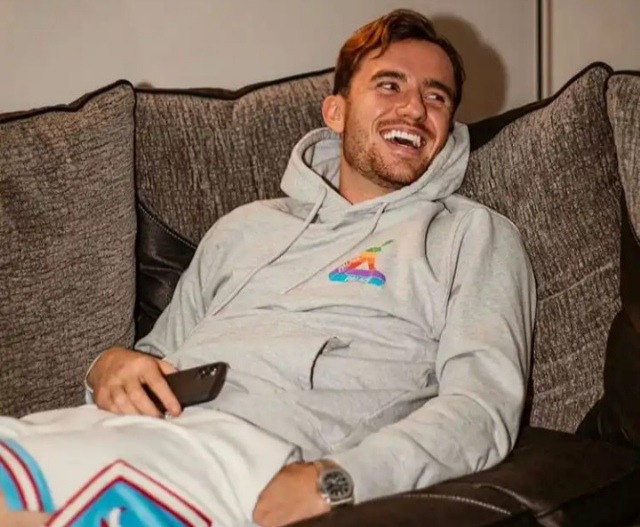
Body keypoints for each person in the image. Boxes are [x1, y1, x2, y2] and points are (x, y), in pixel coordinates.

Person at [0, 8, 535, 527]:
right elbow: (155, 361)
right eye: (389, 85)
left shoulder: (469, 235)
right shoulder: (243, 228)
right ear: (336, 112)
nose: (414, 109)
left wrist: (336, 480)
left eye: (435, 96)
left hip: (241, 458)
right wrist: (106, 369)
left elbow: (480, 409)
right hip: (115, 431)